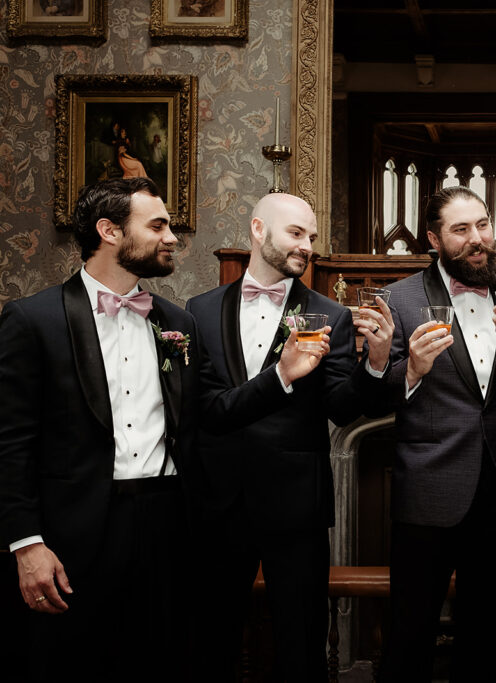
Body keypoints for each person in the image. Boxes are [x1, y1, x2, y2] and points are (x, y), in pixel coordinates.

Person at [0, 178, 325, 682]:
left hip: (169, 526)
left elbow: (213, 412)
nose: (172, 237)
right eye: (157, 226)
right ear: (109, 231)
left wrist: (280, 376)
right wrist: (26, 543)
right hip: (75, 531)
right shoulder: (32, 319)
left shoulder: (177, 323)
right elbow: (10, 443)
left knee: (160, 662)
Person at [185, 193, 392, 680]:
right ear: (259, 230)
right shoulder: (199, 308)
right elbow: (206, 410)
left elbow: (341, 407)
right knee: (210, 639)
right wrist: (281, 375)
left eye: (311, 237)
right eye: (296, 233)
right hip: (217, 499)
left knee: (300, 643)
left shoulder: (330, 314)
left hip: (295, 504)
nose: (307, 246)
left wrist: (376, 362)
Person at [372, 186, 496, 682]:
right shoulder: (398, 300)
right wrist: (411, 370)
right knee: (409, 634)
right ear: (434, 239)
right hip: (429, 490)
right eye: (461, 229)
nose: (477, 239)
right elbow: (371, 397)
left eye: (483, 225)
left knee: (486, 638)